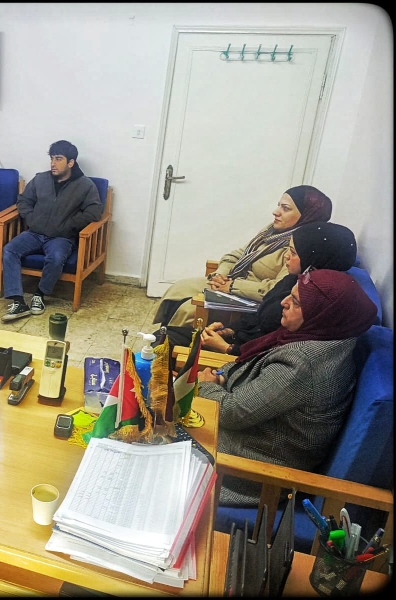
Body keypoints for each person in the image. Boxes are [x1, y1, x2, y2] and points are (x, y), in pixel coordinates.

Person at [196, 269, 377, 507]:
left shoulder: (303, 363)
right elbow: (248, 371)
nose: (283, 302)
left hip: (251, 471)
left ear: (322, 314)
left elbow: (231, 412)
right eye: (290, 295)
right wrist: (221, 377)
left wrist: (207, 386)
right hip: (252, 439)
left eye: (296, 302)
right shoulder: (326, 336)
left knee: (157, 426)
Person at [153, 185, 333, 328]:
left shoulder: (300, 248)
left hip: (247, 300)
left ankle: (172, 346)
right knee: (178, 289)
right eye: (279, 205)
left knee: (189, 309)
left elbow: (277, 289)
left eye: (285, 208)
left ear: (307, 216)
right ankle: (161, 337)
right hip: (231, 282)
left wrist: (232, 286)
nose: (276, 212)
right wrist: (220, 275)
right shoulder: (272, 232)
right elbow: (237, 255)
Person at [198, 222, 358, 354]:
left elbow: (277, 349)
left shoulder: (312, 300)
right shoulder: (294, 279)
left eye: (293, 252)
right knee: (186, 333)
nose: (286, 255)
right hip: (240, 341)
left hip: (243, 355)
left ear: (314, 257)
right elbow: (259, 316)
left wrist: (227, 348)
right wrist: (230, 331)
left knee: (185, 342)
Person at [0, 140, 103, 322]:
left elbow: (94, 212)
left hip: (61, 237)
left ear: (71, 162)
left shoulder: (85, 185)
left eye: (58, 159)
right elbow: (23, 201)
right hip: (35, 233)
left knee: (55, 258)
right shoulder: (40, 179)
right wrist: (32, 219)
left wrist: (69, 225)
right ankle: (18, 301)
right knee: (9, 250)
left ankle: (39, 295)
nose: (53, 163)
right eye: (52, 159)